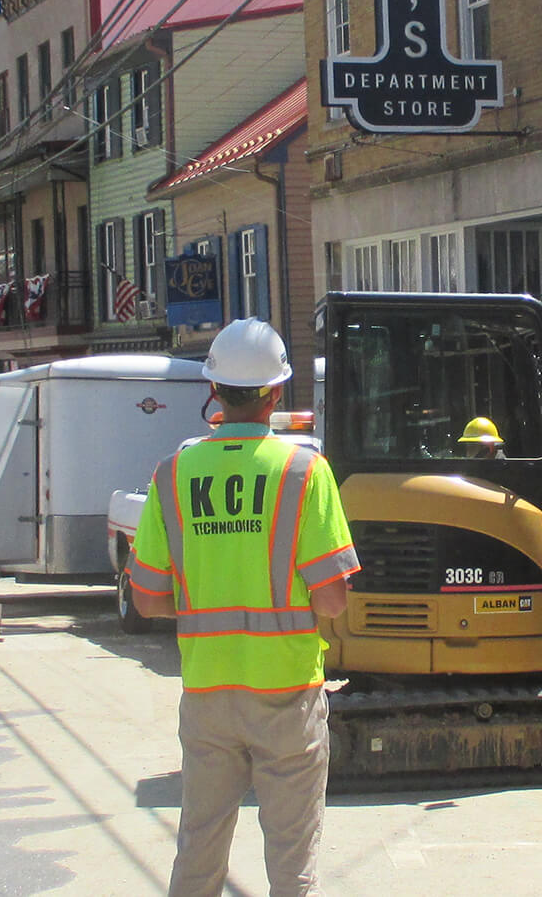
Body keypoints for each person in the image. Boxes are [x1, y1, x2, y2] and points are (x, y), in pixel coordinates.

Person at [130, 319, 361, 897]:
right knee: (291, 862)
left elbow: (148, 598)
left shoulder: (172, 473)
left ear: (214, 390)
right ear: (276, 392)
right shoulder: (305, 471)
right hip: (285, 692)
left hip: (208, 692)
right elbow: (332, 598)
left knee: (200, 849)